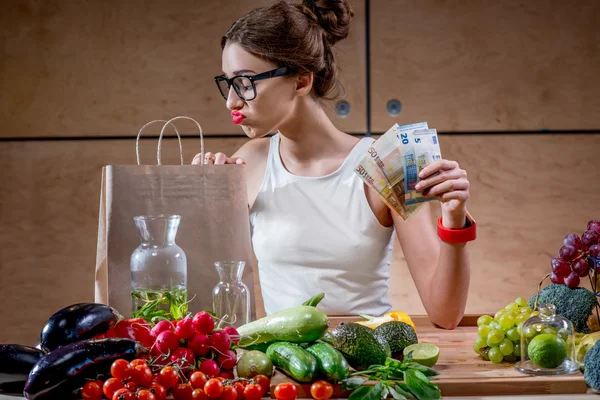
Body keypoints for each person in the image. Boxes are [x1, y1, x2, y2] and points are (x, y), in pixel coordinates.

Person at [193, 0, 473, 329]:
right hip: (283, 371)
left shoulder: (388, 164)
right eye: (228, 83)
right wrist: (205, 200)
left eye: (245, 82)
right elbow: (209, 294)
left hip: (368, 367)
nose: (232, 101)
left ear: (301, 82)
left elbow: (446, 315)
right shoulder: (250, 162)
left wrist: (454, 221)